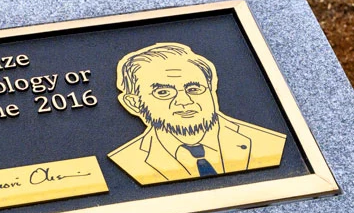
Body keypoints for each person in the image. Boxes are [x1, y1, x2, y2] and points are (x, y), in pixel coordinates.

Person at [108, 42, 286, 186]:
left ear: (211, 89)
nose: (184, 100)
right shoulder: (123, 162)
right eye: (163, 92)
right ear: (134, 103)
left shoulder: (269, 143)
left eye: (193, 88)